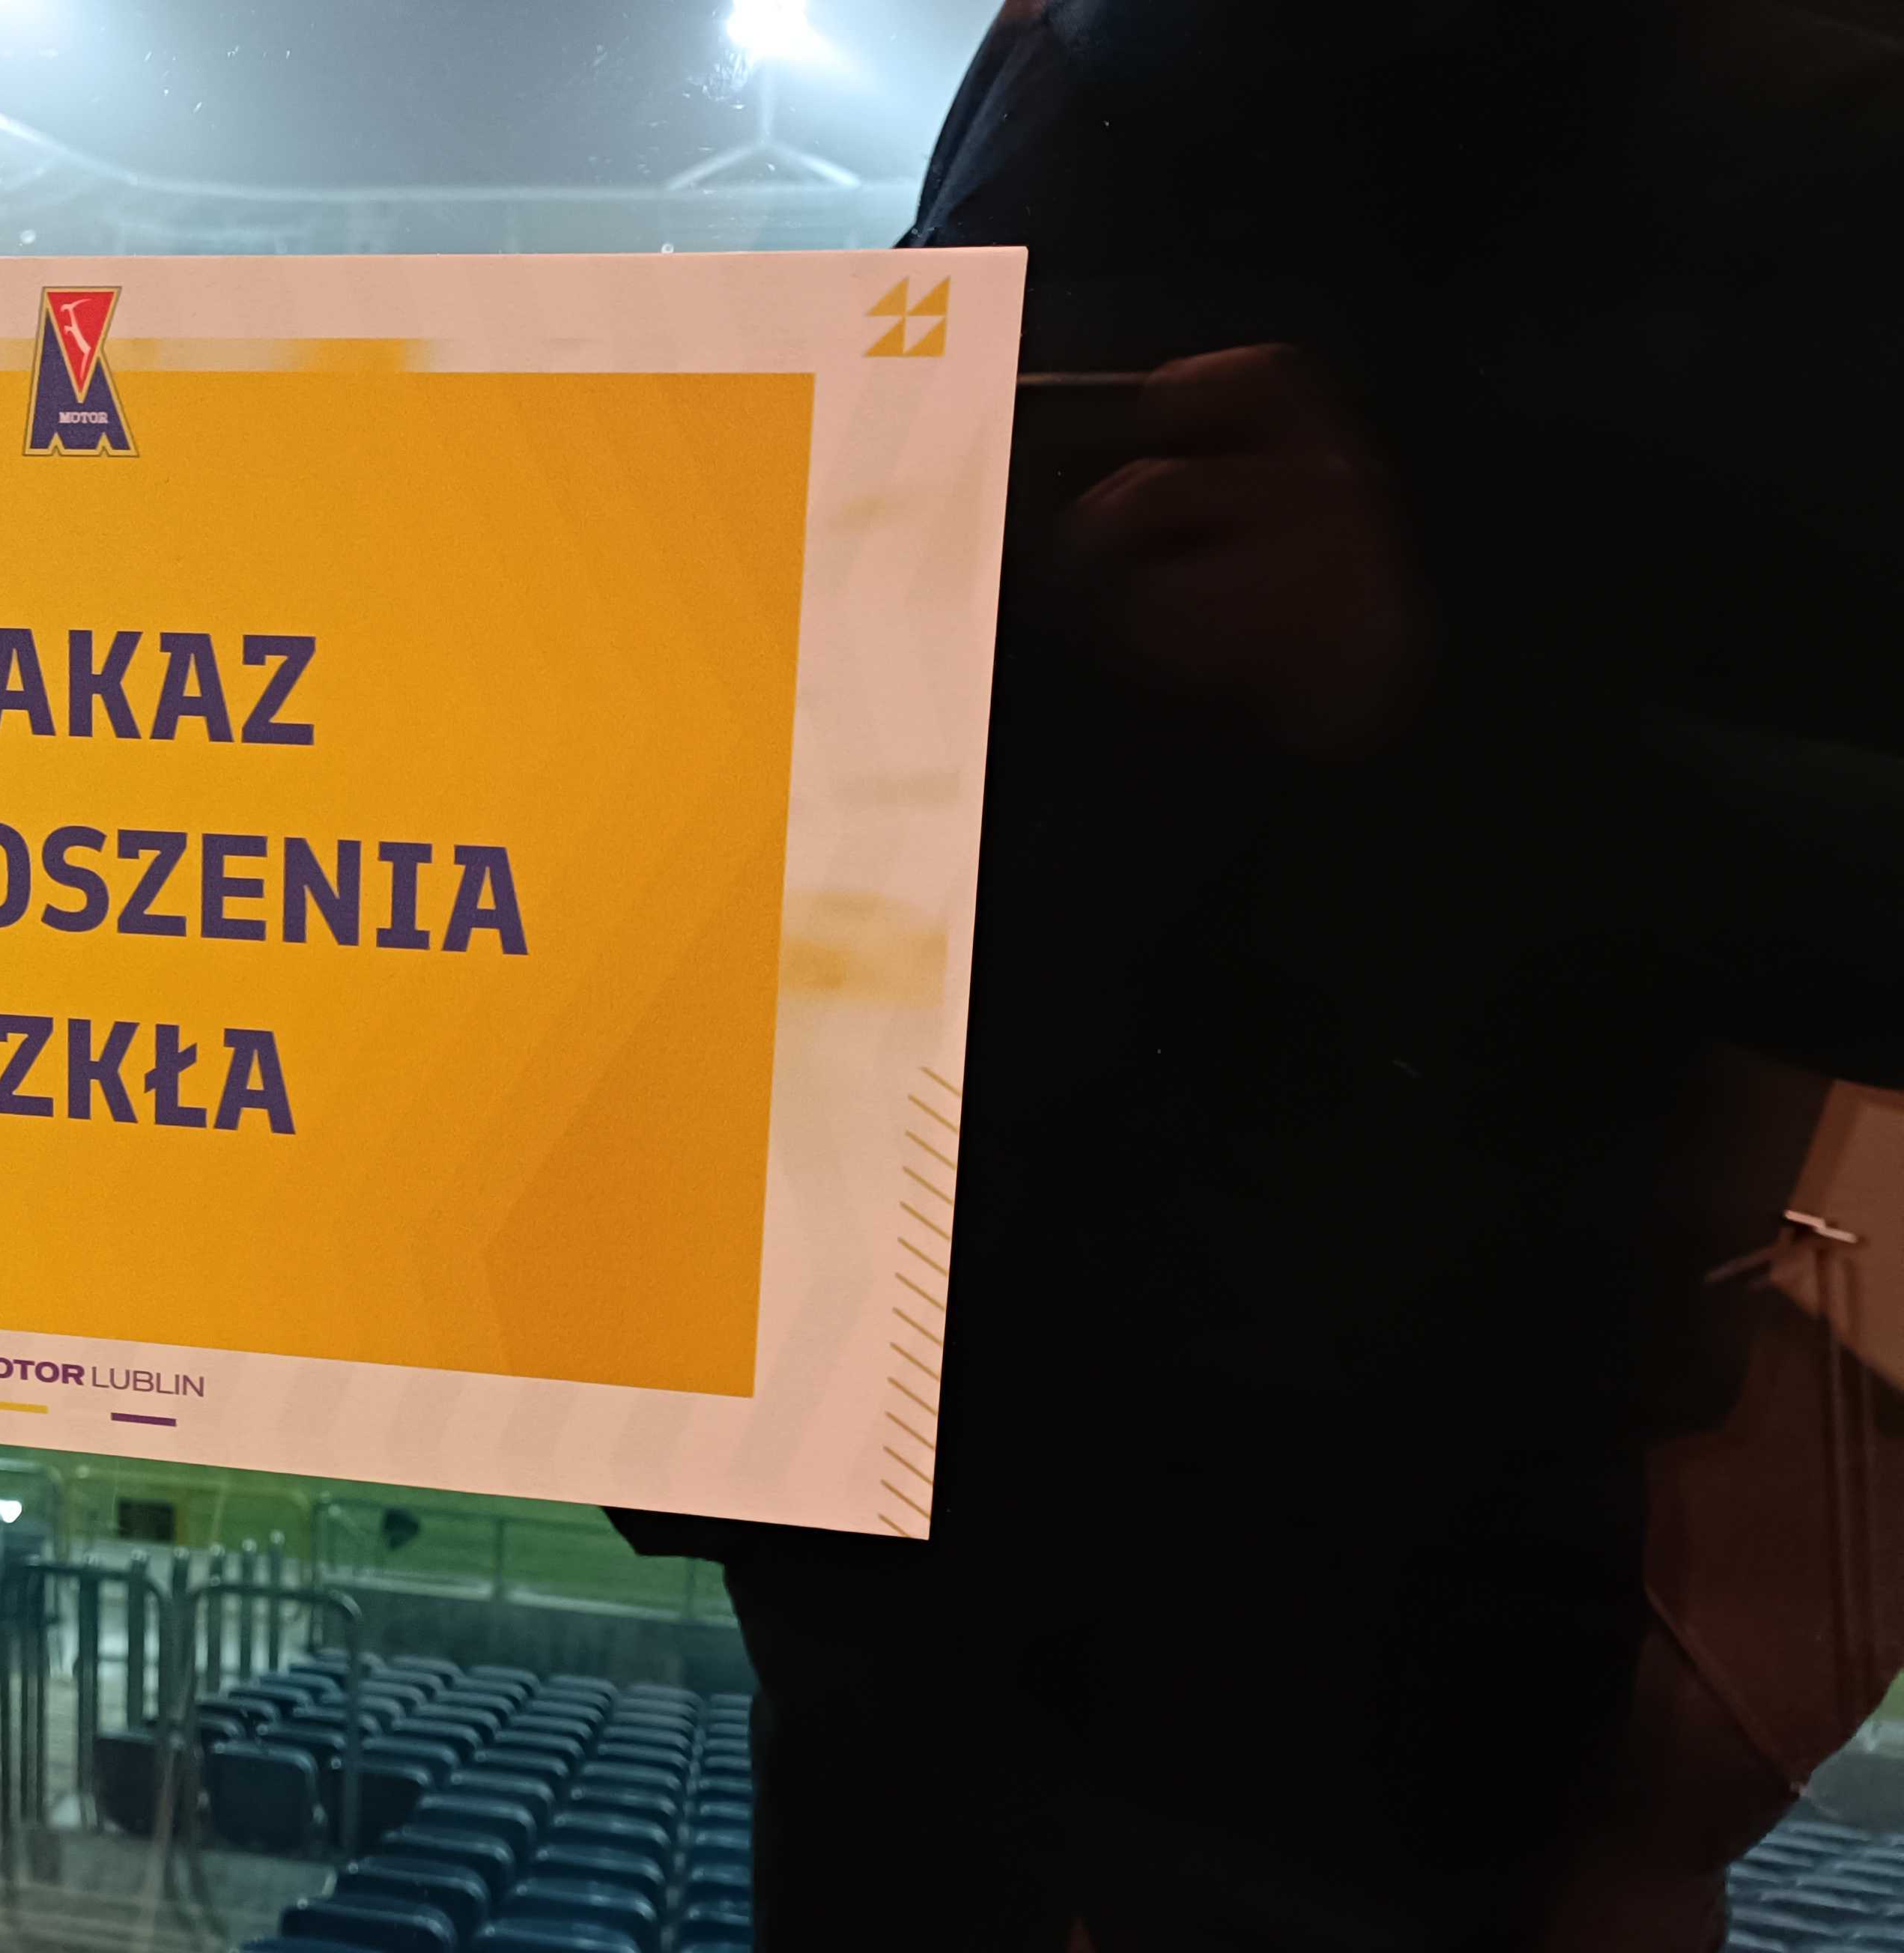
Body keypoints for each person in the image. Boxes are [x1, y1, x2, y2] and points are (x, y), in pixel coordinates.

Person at [614, 4, 1904, 1948]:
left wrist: (1422, 686)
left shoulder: (1788, 101)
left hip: (1366, 1651)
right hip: (892, 1558)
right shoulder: (1056, 52)